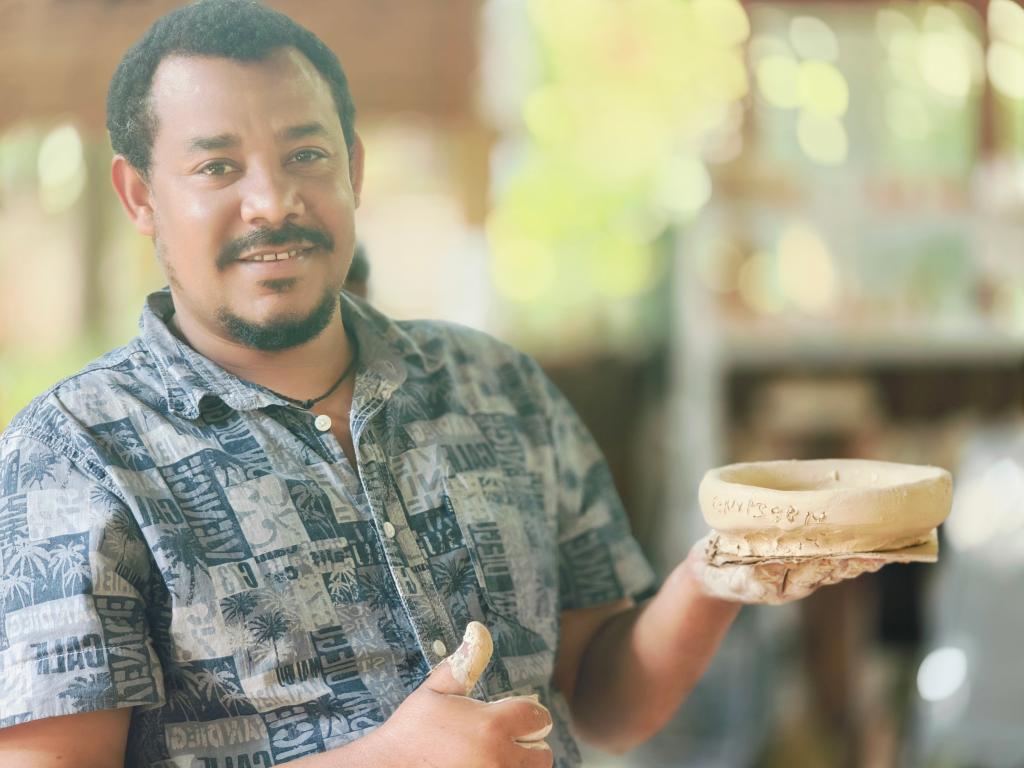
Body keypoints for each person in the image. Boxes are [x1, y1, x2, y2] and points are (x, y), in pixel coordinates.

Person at [0, 2, 879, 766]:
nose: (273, 201)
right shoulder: (71, 458)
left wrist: (712, 580)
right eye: (217, 167)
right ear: (140, 196)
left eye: (306, 154)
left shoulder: (499, 387)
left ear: (353, 167)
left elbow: (604, 703)